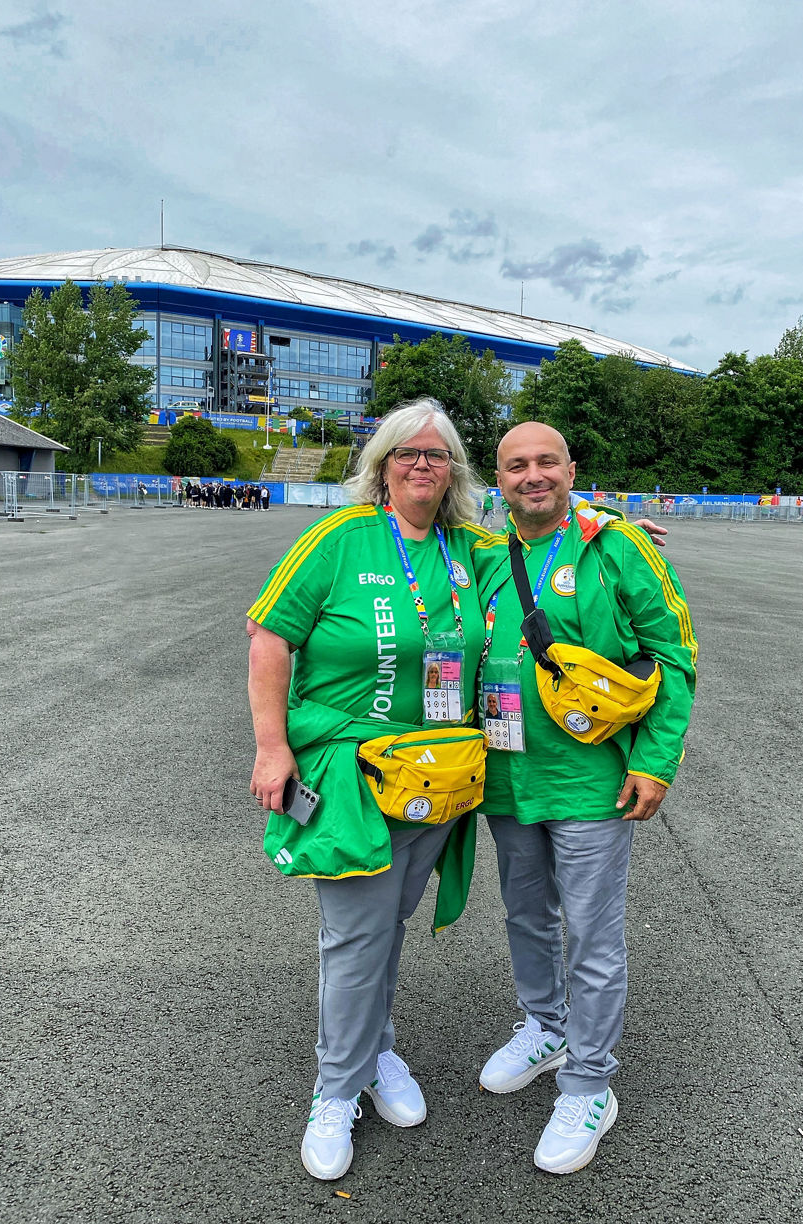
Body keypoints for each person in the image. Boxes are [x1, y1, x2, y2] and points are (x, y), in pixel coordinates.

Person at [246, 399, 487, 1182]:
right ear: (382, 465)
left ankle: (377, 1052)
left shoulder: (465, 548)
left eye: (438, 454)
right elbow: (270, 636)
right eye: (407, 452)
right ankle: (334, 1087)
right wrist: (272, 748)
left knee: (387, 927)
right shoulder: (339, 539)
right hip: (350, 776)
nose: (423, 464)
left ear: (454, 470)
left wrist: (604, 523)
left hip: (433, 781)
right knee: (354, 937)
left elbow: (544, 529)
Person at [470, 422, 697, 1175]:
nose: (532, 476)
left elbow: (675, 654)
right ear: (497, 479)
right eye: (515, 466)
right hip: (506, 777)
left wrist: (657, 762)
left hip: (592, 781)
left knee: (594, 936)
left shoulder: (614, 546)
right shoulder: (479, 553)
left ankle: (590, 1082)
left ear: (571, 469)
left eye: (546, 463)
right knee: (524, 914)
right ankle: (545, 1024)